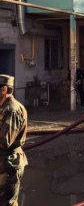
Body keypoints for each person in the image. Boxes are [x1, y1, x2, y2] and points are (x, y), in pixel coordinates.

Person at [0, 75, 28, 206]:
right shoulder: (4, 108)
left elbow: (4, 141)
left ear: (4, 90)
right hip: (3, 162)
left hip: (8, 164)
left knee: (7, 203)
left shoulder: (12, 110)